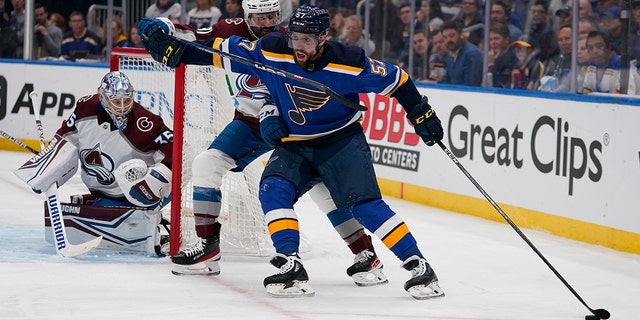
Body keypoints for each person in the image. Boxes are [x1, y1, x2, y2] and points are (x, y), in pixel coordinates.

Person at [139, 4, 445, 299]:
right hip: (296, 143)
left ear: (324, 38)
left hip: (340, 141)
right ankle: (290, 264)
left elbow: (398, 80)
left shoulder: (350, 61)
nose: (299, 46)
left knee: (364, 206)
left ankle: (419, 266)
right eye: (295, 38)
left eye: (307, 40)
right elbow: (217, 52)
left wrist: (419, 113)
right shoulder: (272, 48)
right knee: (272, 189)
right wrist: (179, 52)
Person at [14, 71, 174, 256]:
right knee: (89, 215)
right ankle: (98, 203)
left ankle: (139, 213)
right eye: (116, 101)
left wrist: (154, 184)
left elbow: (176, 152)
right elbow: (66, 139)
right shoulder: (85, 108)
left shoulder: (145, 122)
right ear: (103, 98)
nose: (122, 108)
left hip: (139, 193)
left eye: (126, 101)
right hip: (104, 190)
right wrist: (46, 167)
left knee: (102, 213)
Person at [581, 30, 640, 94]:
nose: (595, 51)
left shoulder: (623, 65)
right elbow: (587, 89)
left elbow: (626, 95)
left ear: (609, 47)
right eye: (590, 48)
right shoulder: (592, 65)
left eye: (599, 46)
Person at [439, 20, 483, 86]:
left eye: (451, 36)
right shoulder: (449, 54)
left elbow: (471, 86)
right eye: (445, 37)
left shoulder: (471, 54)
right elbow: (447, 80)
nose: (448, 40)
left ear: (461, 35)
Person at [488, 22, 518, 88]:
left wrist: (491, 65)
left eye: (496, 38)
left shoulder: (515, 60)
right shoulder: (489, 57)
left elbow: (502, 87)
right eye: (490, 39)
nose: (493, 43)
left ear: (507, 40)